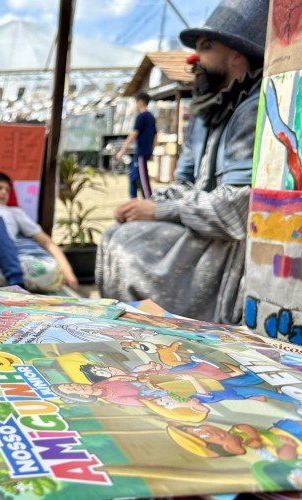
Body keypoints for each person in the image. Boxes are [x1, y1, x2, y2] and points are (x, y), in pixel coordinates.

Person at [97, 0, 268, 324]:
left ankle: (154, 340)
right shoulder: (206, 111)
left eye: (206, 47)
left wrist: (159, 210)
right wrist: (147, 205)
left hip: (226, 240)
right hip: (200, 223)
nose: (194, 59)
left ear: (236, 56)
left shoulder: (252, 108)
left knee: (126, 246)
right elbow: (185, 183)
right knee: (116, 233)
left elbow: (236, 209)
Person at [116, 92, 157, 198]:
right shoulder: (151, 117)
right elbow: (155, 135)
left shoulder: (142, 116)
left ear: (140, 102)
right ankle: (132, 199)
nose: (135, 105)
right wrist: (152, 150)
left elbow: (134, 134)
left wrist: (122, 151)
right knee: (133, 176)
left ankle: (149, 200)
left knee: (143, 178)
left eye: (135, 102)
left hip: (142, 152)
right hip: (144, 152)